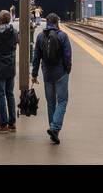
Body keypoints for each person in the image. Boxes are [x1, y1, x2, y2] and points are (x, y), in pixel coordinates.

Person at [31, 12, 73, 144]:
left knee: (51, 103)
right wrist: (67, 70)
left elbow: (36, 57)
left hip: (47, 74)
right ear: (57, 22)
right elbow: (67, 56)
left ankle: (53, 129)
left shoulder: (40, 36)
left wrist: (34, 74)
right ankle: (55, 128)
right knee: (62, 101)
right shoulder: (63, 36)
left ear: (47, 22)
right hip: (61, 73)